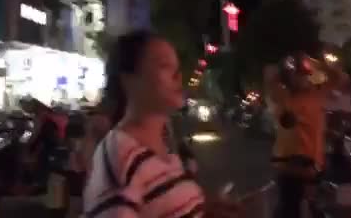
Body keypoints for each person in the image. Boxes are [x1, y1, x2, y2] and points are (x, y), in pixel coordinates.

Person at [84, 30, 239, 218]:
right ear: (129, 80)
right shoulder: (121, 159)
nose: (178, 76)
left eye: (178, 68)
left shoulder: (168, 151)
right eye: (164, 66)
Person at [264, 51, 348, 218]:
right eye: (296, 75)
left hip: (310, 167)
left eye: (304, 75)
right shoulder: (282, 96)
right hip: (288, 166)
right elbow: (269, 74)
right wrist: (284, 66)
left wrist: (313, 62)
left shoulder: (317, 94)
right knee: (289, 210)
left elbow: (341, 78)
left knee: (310, 209)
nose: (300, 79)